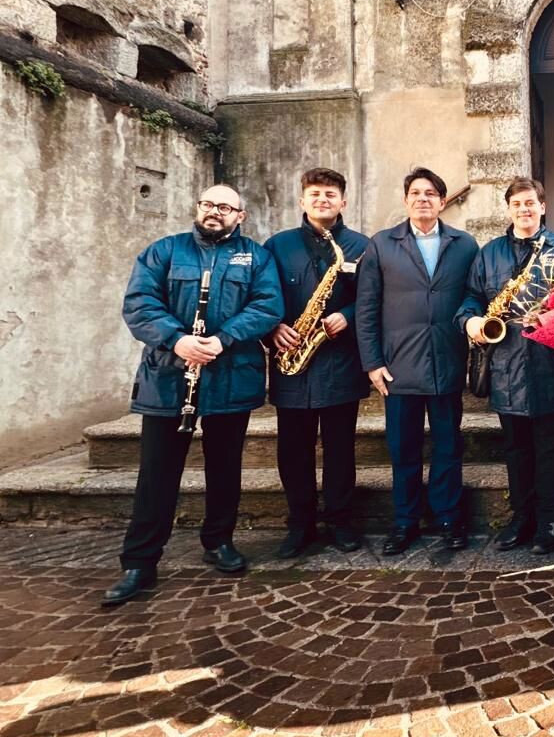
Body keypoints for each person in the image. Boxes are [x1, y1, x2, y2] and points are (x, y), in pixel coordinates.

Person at [101, 184, 284, 606]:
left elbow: (267, 306)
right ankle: (140, 562)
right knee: (157, 474)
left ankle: (218, 541)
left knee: (225, 468)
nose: (214, 212)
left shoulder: (256, 256)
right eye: (208, 204)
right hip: (169, 377)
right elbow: (140, 304)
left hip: (229, 376)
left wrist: (222, 339)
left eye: (224, 207)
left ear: (241, 215)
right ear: (198, 208)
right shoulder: (164, 251)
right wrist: (177, 340)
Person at [356, 168, 480, 555]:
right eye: (415, 192)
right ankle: (405, 522)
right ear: (406, 200)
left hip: (446, 363)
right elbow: (366, 308)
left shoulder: (465, 244)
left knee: (447, 447)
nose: (423, 198)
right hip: (398, 368)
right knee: (403, 450)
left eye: (431, 193)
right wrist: (372, 363)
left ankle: (448, 519)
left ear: (443, 202)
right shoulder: (381, 244)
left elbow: (475, 296)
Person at [459, 177, 554, 555]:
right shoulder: (489, 253)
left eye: (531, 203)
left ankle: (548, 521)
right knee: (516, 449)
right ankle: (520, 518)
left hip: (552, 363)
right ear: (509, 209)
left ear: (543, 207)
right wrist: (471, 322)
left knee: (551, 448)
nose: (524, 209)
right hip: (506, 363)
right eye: (517, 204)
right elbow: (471, 297)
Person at [265, 168, 371, 559]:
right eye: (314, 193)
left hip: (340, 362)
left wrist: (350, 313)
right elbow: (261, 295)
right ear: (302, 200)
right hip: (291, 361)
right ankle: (300, 524)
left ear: (344, 201)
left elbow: (373, 298)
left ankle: (341, 522)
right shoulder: (277, 246)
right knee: (293, 451)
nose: (322, 199)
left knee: (341, 449)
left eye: (330, 194)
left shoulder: (362, 246)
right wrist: (272, 327)